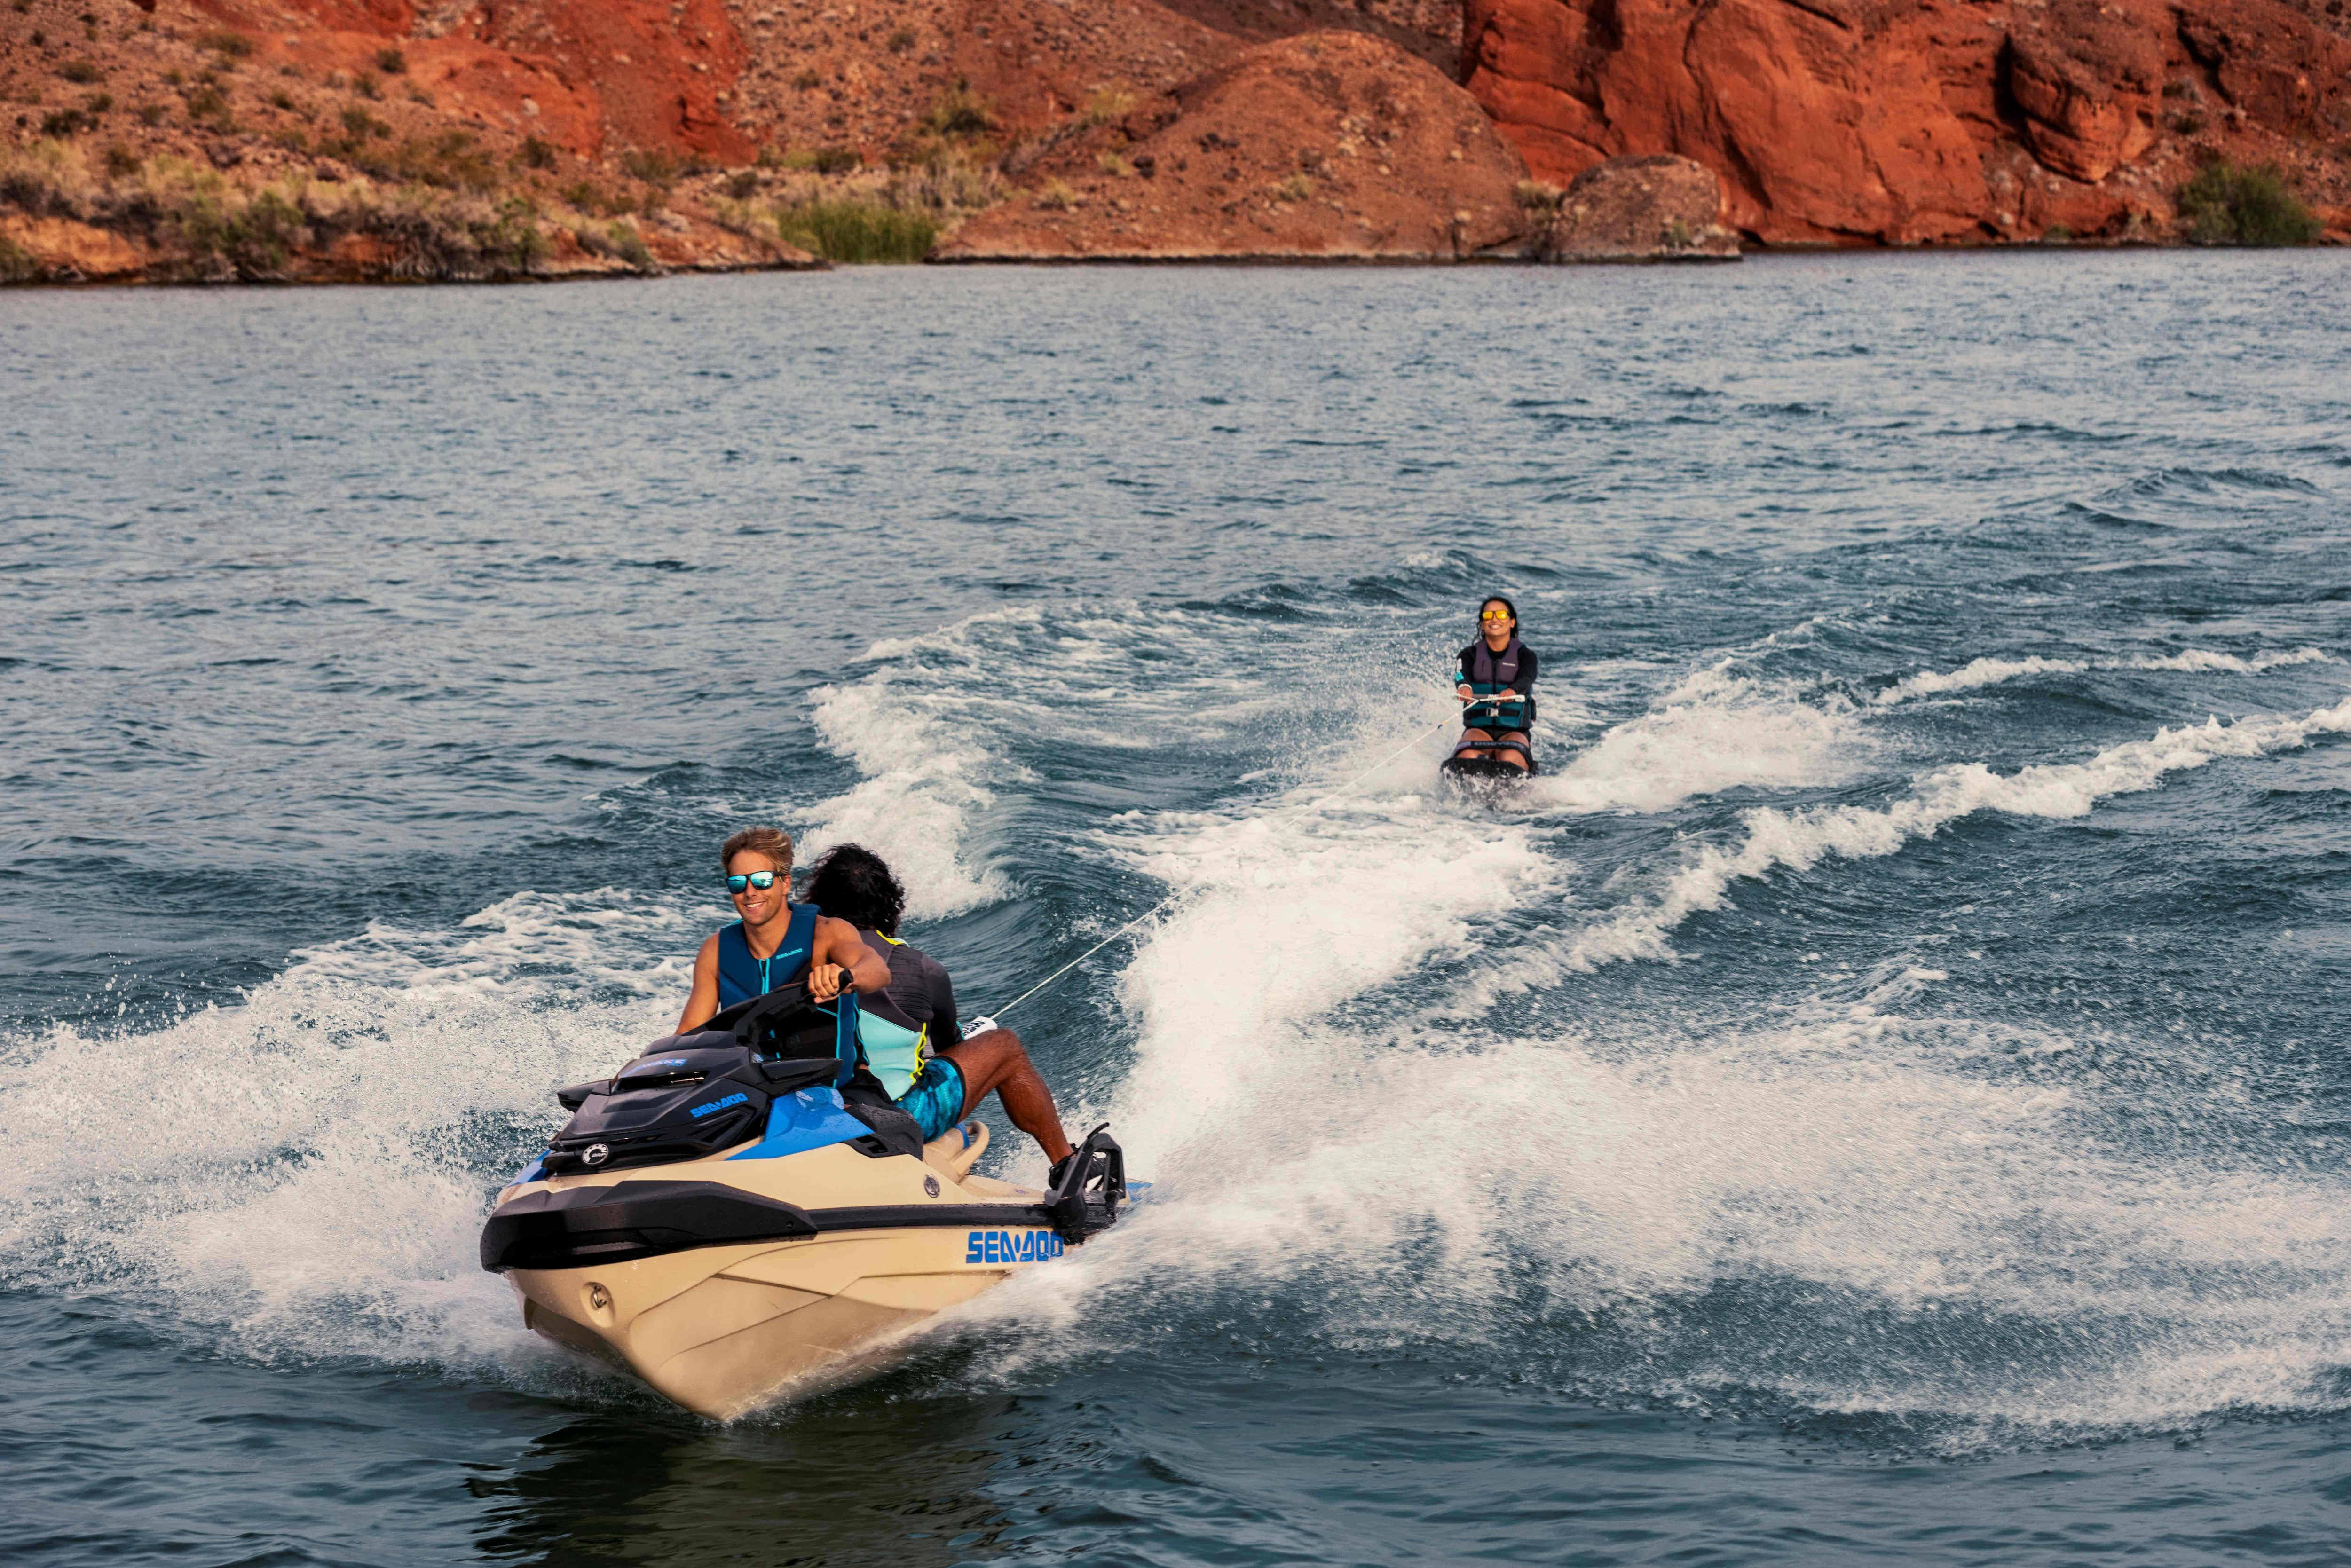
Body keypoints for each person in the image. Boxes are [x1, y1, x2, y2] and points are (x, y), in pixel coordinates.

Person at [802, 841, 1077, 1169]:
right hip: (897, 1116)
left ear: (817, 903)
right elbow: (950, 1047)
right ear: (890, 902)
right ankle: (1069, 1167)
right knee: (1006, 1046)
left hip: (814, 1112)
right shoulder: (922, 969)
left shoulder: (798, 962)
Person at [676, 826, 890, 1032]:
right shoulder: (715, 951)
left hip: (827, 1069)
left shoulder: (826, 933)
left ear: (785, 883)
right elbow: (688, 1032)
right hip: (744, 1070)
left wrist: (845, 976)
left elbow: (878, 971)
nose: (750, 892)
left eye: (763, 880)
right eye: (738, 883)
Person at [1454, 595, 1538, 772]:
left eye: (1500, 614)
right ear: (1482, 624)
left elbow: (1527, 678)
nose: (1494, 619)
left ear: (1512, 622)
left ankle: (1513, 799)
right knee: (1467, 756)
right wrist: (1464, 687)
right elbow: (1461, 675)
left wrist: (1512, 690)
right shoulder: (1469, 655)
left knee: (1509, 758)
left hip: (1514, 731)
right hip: (1479, 729)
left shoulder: (1526, 655)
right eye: (1488, 615)